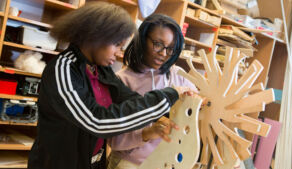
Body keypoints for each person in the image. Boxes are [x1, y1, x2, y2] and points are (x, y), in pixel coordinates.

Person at [28, 3, 189, 169]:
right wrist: (167, 95)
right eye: (117, 45)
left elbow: (127, 97)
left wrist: (159, 116)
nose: (119, 53)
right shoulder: (64, 69)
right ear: (96, 36)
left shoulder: (101, 69)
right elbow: (97, 121)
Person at [107, 14, 198, 169]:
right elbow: (113, 140)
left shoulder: (177, 76)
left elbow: (198, 106)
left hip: (168, 163)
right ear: (142, 39)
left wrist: (196, 103)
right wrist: (148, 133)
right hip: (130, 164)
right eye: (157, 44)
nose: (163, 53)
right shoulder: (122, 81)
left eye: (170, 49)